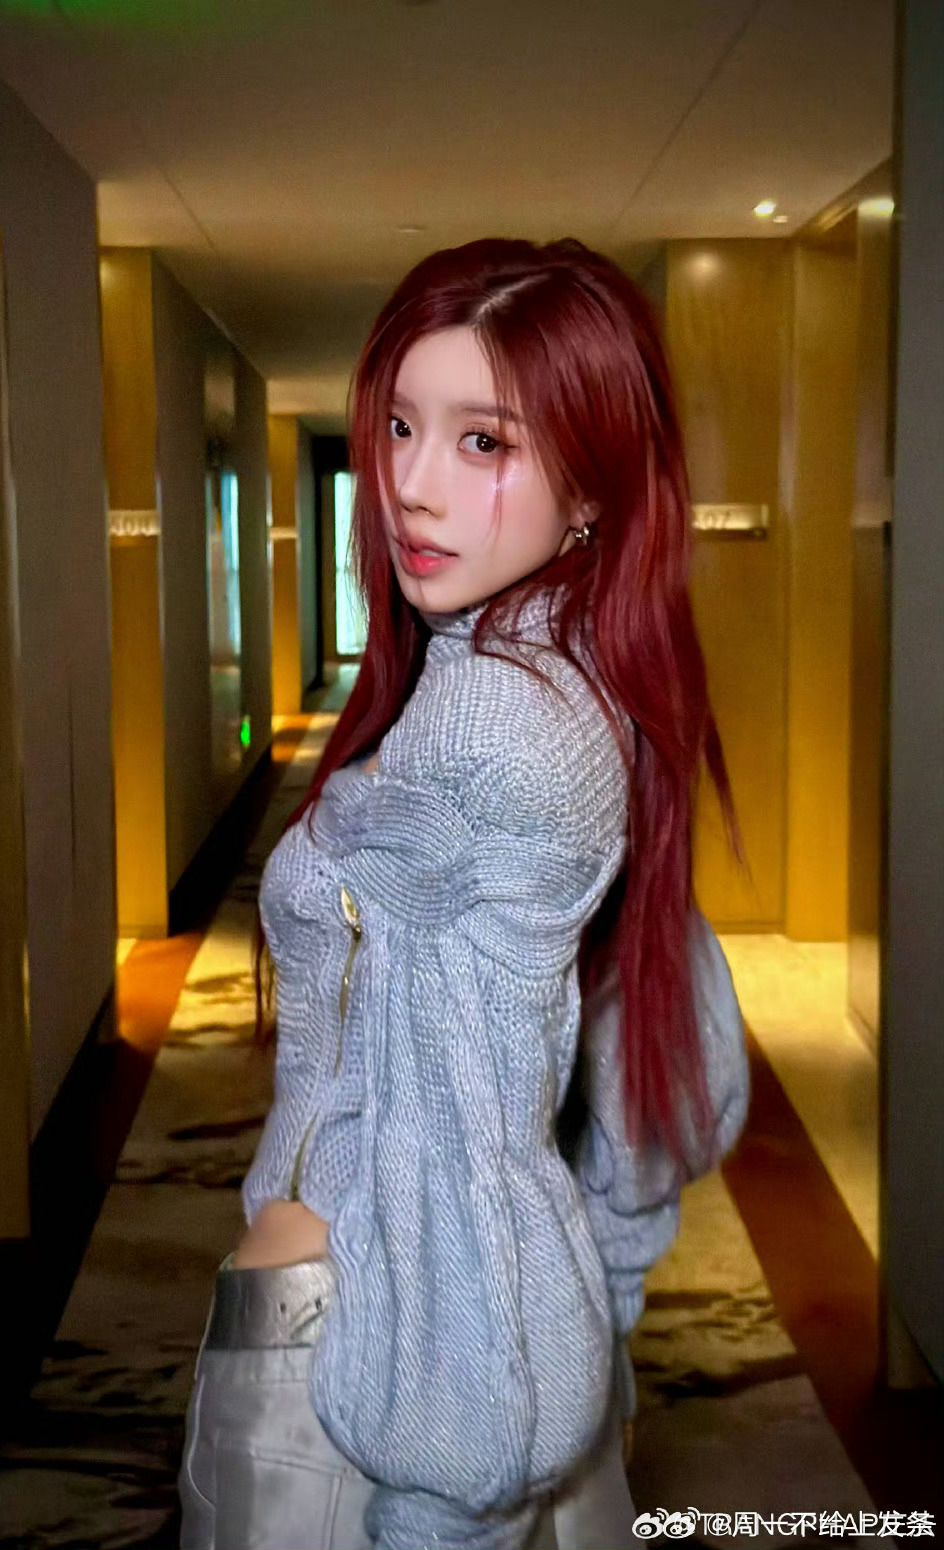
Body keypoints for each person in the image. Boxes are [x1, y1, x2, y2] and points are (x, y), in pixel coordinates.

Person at [178, 236, 751, 1550]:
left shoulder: (492, 720)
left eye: (483, 440)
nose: (408, 485)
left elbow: (462, 1147)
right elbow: (669, 1040)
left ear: (592, 485)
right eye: (398, 425)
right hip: (432, 1317)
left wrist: (446, 1503)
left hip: (359, 1346)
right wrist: (603, 1309)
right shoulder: (587, 668)